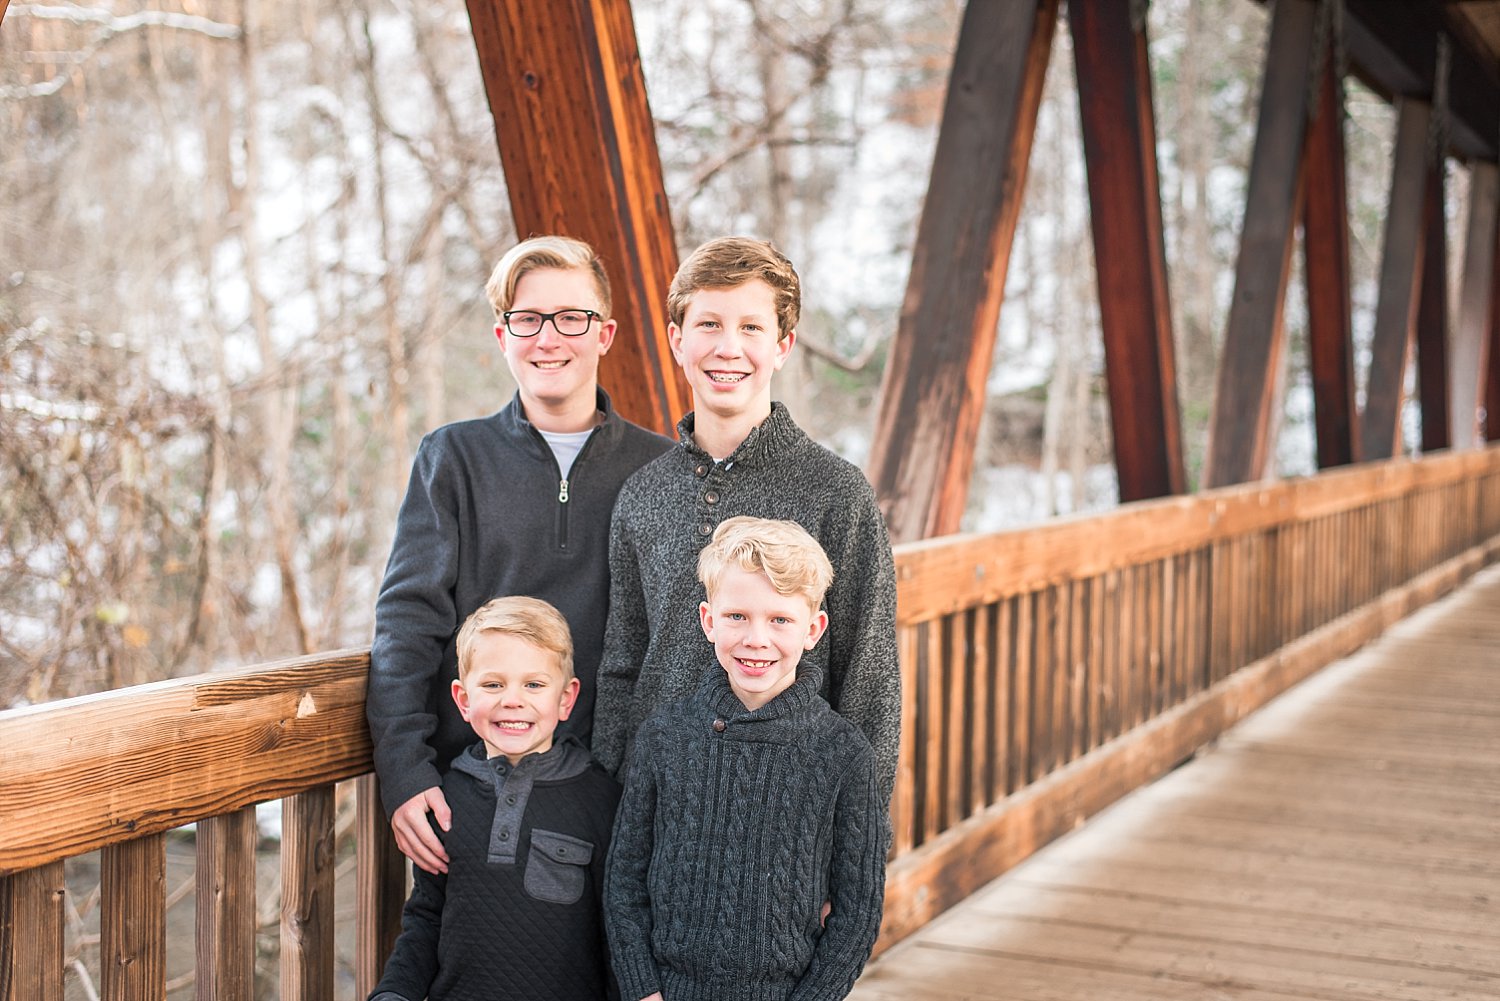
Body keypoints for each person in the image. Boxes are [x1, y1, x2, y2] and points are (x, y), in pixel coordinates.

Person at [368, 235, 672, 875]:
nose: (548, 338)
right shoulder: (453, 459)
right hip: (474, 795)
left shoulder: (659, 470)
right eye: (527, 319)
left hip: (614, 799)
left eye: (571, 318)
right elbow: (407, 621)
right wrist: (403, 771)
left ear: (605, 334)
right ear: (503, 335)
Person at [593, 236, 900, 807]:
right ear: (677, 342)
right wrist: (614, 806)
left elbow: (869, 681)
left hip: (786, 819)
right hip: (659, 817)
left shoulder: (835, 492)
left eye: (751, 328)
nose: (728, 348)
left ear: (783, 346)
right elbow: (621, 669)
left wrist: (854, 843)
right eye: (709, 325)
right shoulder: (642, 495)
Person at [605, 517, 886, 1001]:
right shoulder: (664, 738)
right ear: (708, 620)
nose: (757, 639)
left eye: (780, 620)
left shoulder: (843, 754)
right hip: (667, 992)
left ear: (813, 629)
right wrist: (642, 989)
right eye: (737, 616)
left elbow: (858, 911)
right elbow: (625, 880)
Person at [370, 596, 621, 1001]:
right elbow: (427, 916)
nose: (512, 700)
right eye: (493, 684)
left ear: (565, 699)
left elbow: (617, 932)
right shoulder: (447, 799)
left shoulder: (600, 800)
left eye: (534, 684)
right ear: (463, 699)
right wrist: (395, 992)